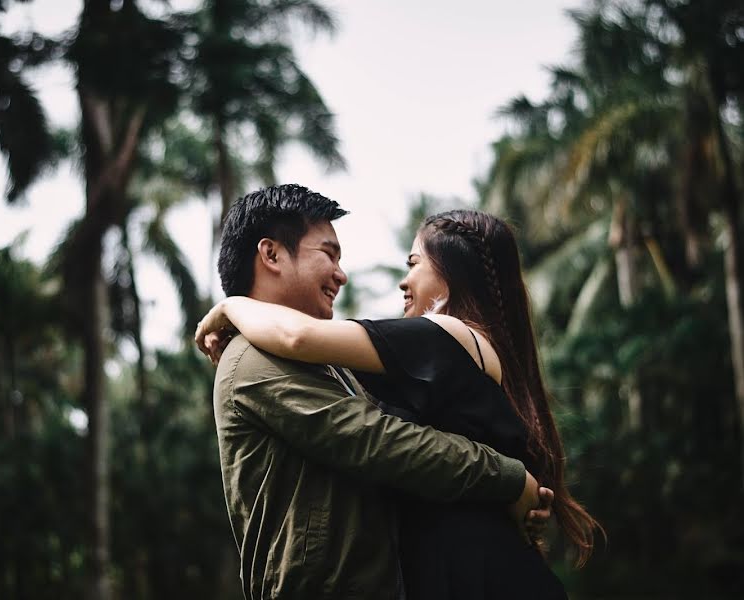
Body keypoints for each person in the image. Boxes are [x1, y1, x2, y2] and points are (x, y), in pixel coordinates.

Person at [197, 207, 603, 599]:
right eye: (329, 253)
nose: (343, 274)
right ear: (270, 254)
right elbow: (375, 436)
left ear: (450, 276)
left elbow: (301, 343)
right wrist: (510, 482)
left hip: (473, 571)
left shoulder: (445, 334)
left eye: (413, 263)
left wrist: (232, 305)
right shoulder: (260, 359)